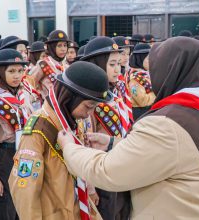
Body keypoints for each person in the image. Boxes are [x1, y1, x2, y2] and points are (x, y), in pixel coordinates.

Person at [59, 36, 199, 220]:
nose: (151, 77)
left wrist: (69, 147)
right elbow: (167, 153)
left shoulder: (166, 123)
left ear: (170, 71)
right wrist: (113, 143)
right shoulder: (198, 111)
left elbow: (109, 171)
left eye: (156, 69)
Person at [9, 61, 106, 220]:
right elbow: (25, 190)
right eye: (88, 106)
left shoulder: (72, 122)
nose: (89, 114)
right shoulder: (38, 129)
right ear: (70, 98)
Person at [81, 36, 132, 220]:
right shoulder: (89, 98)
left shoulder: (116, 92)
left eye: (119, 63)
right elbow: (85, 143)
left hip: (121, 164)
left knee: (123, 211)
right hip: (101, 171)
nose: (118, 68)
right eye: (112, 64)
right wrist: (91, 187)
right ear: (97, 65)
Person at [0, 49, 31, 220]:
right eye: (11, 71)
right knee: (4, 208)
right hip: (4, 157)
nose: (17, 76)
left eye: (20, 70)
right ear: (0, 72)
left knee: (23, 205)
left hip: (24, 154)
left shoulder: (24, 95)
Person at [126, 43, 156, 119]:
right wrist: (157, 94)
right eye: (148, 59)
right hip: (141, 114)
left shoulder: (145, 74)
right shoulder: (135, 79)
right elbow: (143, 101)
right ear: (140, 59)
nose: (151, 61)